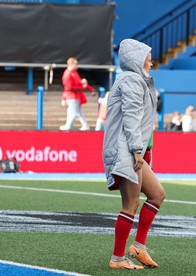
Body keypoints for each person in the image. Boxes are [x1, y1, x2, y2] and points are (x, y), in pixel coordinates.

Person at [103, 39, 165, 270]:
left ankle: (138, 247)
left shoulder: (139, 80)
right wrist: (137, 151)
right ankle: (117, 258)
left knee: (157, 194)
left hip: (132, 149)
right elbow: (131, 117)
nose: (151, 60)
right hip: (126, 149)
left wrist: (144, 149)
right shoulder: (131, 79)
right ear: (137, 58)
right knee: (131, 203)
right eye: (148, 56)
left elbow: (142, 121)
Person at [59, 57, 95, 131]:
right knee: (74, 111)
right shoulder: (68, 74)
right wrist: (82, 86)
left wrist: (88, 87)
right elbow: (69, 88)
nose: (77, 65)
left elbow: (78, 83)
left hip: (75, 96)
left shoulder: (74, 72)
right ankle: (71, 125)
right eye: (76, 64)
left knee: (75, 111)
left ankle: (74, 126)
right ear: (71, 64)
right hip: (71, 96)